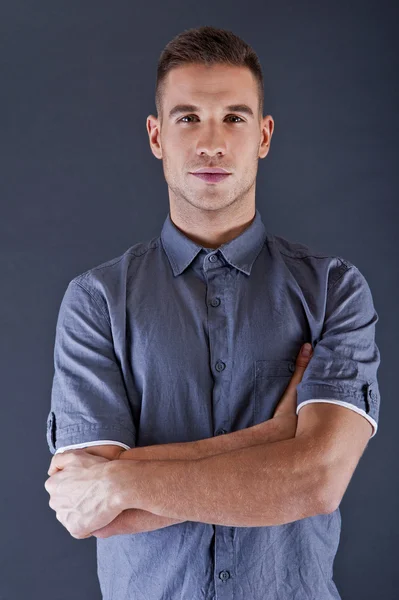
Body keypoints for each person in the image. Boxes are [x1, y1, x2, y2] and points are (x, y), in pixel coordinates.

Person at [45, 25, 381, 600]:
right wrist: (275, 439)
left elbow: (318, 482)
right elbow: (91, 510)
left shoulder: (335, 289)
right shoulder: (96, 300)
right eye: (187, 118)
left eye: (234, 116)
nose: (211, 142)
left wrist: (125, 478)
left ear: (264, 135)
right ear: (156, 136)